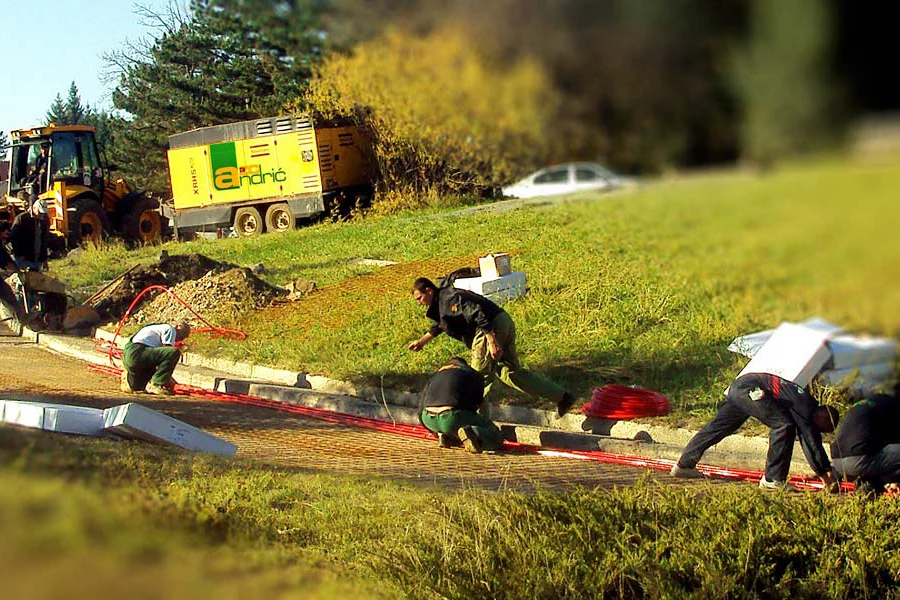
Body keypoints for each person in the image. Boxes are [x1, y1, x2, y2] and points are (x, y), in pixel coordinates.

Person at [408, 277, 576, 417]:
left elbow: (477, 313)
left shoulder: (449, 298)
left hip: (489, 328)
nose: (419, 303)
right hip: (503, 320)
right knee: (511, 373)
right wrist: (422, 341)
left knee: (477, 379)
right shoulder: (441, 304)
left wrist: (491, 339)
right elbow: (441, 325)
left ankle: (480, 425)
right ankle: (563, 397)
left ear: (429, 291)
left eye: (419, 298)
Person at [670, 372, 840, 491]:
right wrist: (825, 476)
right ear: (823, 417)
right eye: (823, 429)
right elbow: (810, 440)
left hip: (741, 386)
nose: (819, 431)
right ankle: (773, 481)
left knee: (718, 427)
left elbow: (811, 438)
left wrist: (824, 469)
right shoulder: (806, 406)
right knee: (783, 426)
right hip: (751, 389)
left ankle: (684, 466)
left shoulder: (803, 403)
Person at [419, 357, 504, 453]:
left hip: (428, 419)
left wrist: (431, 430)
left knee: (451, 424)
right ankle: (473, 433)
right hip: (452, 417)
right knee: (493, 431)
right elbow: (476, 403)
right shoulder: (473, 374)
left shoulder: (435, 375)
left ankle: (444, 435)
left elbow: (420, 408)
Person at [830, 391, 900, 496]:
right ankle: (873, 487)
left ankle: (865, 488)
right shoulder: (893, 408)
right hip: (857, 462)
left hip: (837, 462)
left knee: (876, 453)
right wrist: (893, 479)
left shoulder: (871, 404)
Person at [121, 322, 191, 395]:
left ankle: (130, 382)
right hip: (138, 352)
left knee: (139, 387)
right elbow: (168, 352)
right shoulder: (170, 329)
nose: (181, 338)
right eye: (182, 335)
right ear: (177, 326)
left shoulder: (155, 329)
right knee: (174, 352)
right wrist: (165, 379)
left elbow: (160, 362)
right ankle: (156, 385)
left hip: (129, 355)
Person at [8, 200, 50, 271]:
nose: (41, 215)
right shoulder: (21, 218)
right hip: (23, 258)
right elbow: (13, 237)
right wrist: (19, 254)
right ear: (34, 208)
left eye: (43, 213)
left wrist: (44, 259)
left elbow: (43, 240)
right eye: (40, 212)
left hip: (36, 258)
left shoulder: (44, 220)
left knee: (35, 280)